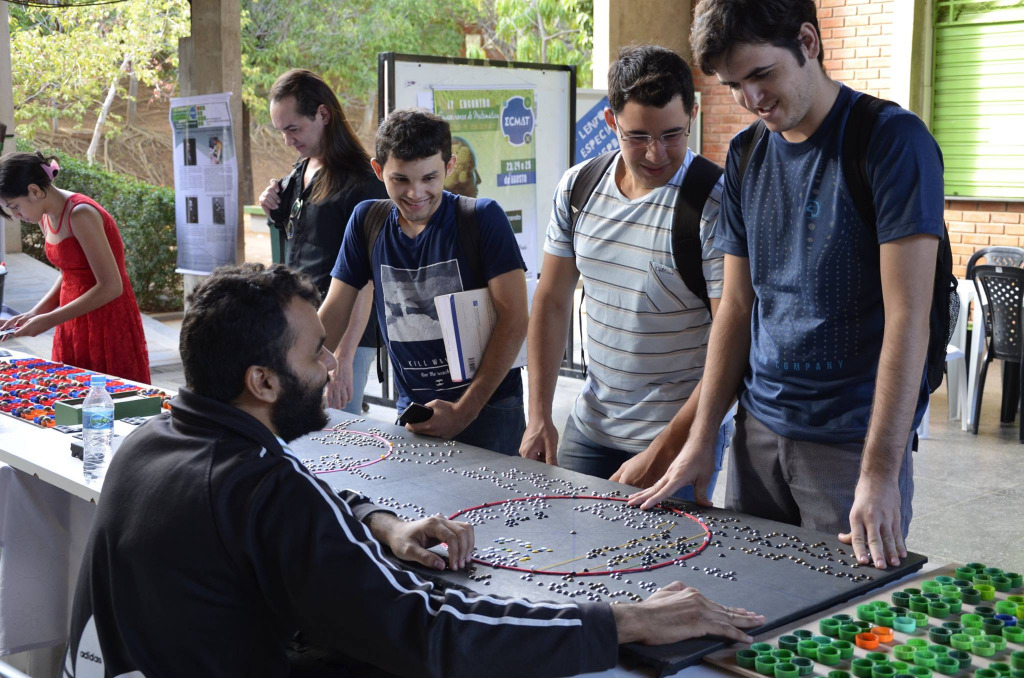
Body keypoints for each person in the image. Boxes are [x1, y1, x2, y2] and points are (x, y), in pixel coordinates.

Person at [64, 263, 763, 677]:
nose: (332, 365)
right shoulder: (261, 486)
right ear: (263, 382)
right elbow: (431, 632)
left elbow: (288, 512)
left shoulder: (152, 441)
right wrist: (623, 621)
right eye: (315, 354)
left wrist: (380, 523)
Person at [630, 0, 944, 572]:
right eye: (733, 86)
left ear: (807, 42)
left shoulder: (889, 140)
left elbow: (909, 316)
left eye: (761, 74)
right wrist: (702, 437)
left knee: (845, 615)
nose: (751, 99)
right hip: (758, 431)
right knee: (751, 601)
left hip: (850, 442)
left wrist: (879, 474)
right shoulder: (746, 152)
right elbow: (736, 308)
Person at [519, 45, 732, 499]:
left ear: (692, 115)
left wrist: (662, 451)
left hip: (676, 437)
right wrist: (538, 414)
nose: (656, 153)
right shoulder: (578, 188)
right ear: (610, 122)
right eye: (637, 137)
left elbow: (731, 339)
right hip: (590, 425)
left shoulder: (714, 203)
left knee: (659, 548)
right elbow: (552, 300)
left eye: (672, 135)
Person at [319, 109, 529, 455]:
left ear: (449, 166)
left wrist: (464, 411)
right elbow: (335, 309)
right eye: (400, 179)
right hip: (414, 410)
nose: (415, 193)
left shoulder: (482, 217)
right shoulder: (366, 220)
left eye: (429, 178)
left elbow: (515, 319)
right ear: (378, 170)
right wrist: (296, 369)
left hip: (489, 408)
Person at [259, 69, 388, 416]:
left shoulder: (363, 181)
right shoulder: (301, 171)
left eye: (293, 129)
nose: (288, 140)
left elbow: (368, 281)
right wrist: (273, 207)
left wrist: (343, 357)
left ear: (323, 114)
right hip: (301, 329)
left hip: (345, 336)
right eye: (281, 131)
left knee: (336, 430)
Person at [0, 152, 150, 384]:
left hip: (105, 318)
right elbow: (69, 273)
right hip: (72, 315)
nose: (17, 215)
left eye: (15, 207)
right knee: (73, 390)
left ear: (35, 191)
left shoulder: (80, 214)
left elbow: (112, 286)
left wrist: (49, 319)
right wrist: (35, 313)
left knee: (108, 393)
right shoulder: (45, 215)